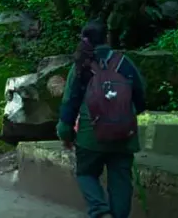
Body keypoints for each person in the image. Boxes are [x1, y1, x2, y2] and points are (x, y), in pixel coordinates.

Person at [56, 20, 147, 218]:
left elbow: (69, 104)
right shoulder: (125, 64)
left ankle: (100, 212)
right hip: (124, 136)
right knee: (121, 181)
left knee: (86, 173)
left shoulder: (81, 66)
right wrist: (122, 118)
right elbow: (140, 98)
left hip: (90, 137)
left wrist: (65, 134)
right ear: (107, 37)